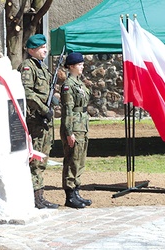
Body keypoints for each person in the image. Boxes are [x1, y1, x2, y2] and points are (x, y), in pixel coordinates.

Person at [17, 34, 59, 209]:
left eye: (45, 47)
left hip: (44, 120)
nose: (45, 50)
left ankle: (39, 194)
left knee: (43, 158)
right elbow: (27, 92)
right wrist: (43, 109)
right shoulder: (28, 67)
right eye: (42, 47)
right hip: (35, 119)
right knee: (36, 160)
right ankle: (35, 196)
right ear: (32, 50)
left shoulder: (42, 67)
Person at [60, 52, 92, 209]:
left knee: (80, 160)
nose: (82, 66)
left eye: (82, 64)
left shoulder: (79, 83)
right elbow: (68, 110)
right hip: (74, 127)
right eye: (79, 64)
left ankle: (77, 191)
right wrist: (69, 132)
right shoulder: (68, 85)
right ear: (71, 66)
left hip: (82, 126)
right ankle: (70, 195)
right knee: (72, 160)